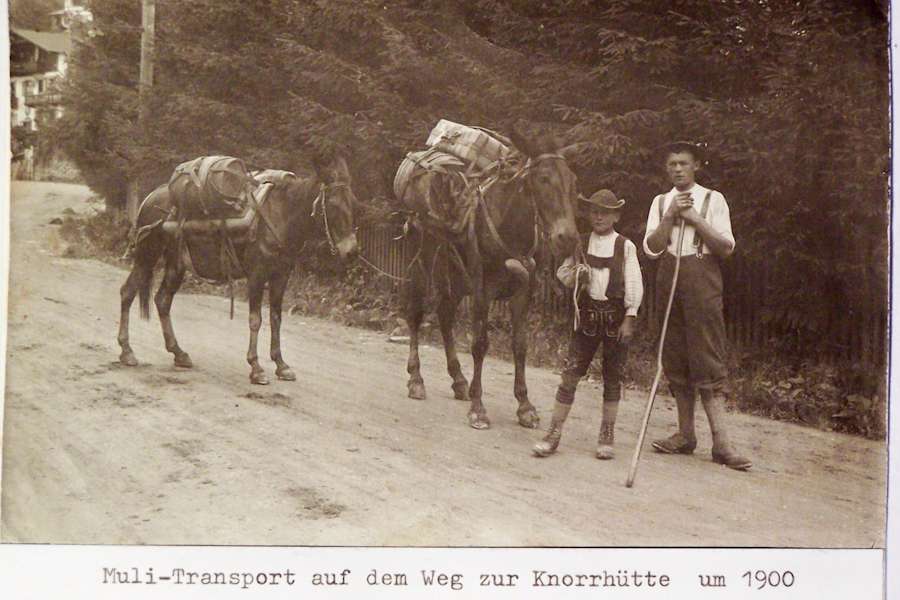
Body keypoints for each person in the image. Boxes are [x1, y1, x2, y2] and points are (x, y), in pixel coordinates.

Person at [643, 141, 751, 471]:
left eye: (683, 163)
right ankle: (685, 435)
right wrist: (671, 216)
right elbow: (651, 248)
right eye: (672, 164)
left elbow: (726, 246)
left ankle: (722, 442)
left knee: (706, 354)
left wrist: (693, 218)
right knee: (674, 355)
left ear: (696, 166)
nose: (677, 169)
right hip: (668, 279)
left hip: (701, 277)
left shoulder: (712, 199)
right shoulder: (661, 201)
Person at [533, 189, 643, 459]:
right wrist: (576, 276)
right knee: (570, 375)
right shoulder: (580, 244)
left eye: (605, 212)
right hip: (587, 320)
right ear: (588, 214)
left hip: (616, 321)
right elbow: (563, 274)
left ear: (616, 215)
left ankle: (607, 434)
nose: (599, 217)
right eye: (594, 211)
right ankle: (554, 432)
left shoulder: (625, 246)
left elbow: (634, 283)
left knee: (612, 379)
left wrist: (630, 318)